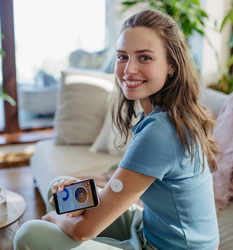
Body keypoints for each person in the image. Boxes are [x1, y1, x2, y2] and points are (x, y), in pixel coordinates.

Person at [14, 9, 219, 250]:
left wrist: (54, 221)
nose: (129, 69)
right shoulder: (169, 112)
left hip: (168, 247)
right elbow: (131, 180)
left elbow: (83, 231)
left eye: (144, 57)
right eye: (123, 57)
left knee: (30, 234)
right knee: (60, 189)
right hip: (149, 227)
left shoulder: (161, 131)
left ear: (171, 65)